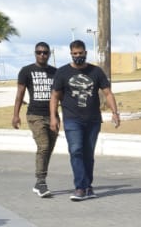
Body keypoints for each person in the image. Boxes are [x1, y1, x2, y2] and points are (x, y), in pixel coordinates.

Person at [49, 40, 120, 200]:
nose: (78, 56)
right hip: (72, 119)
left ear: (86, 53)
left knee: (88, 153)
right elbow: (54, 96)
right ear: (71, 54)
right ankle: (80, 187)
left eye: (80, 53)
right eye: (75, 54)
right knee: (76, 150)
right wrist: (53, 116)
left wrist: (115, 112)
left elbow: (108, 93)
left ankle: (88, 186)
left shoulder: (96, 72)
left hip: (93, 120)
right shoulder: (62, 72)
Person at [12, 41, 58, 197]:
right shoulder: (26, 71)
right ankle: (41, 182)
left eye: (45, 52)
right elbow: (20, 95)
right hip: (35, 115)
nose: (42, 55)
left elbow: (60, 96)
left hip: (52, 116)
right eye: (39, 52)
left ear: (49, 54)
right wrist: (15, 115)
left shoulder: (55, 72)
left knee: (48, 149)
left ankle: (41, 180)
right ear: (35, 53)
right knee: (44, 146)